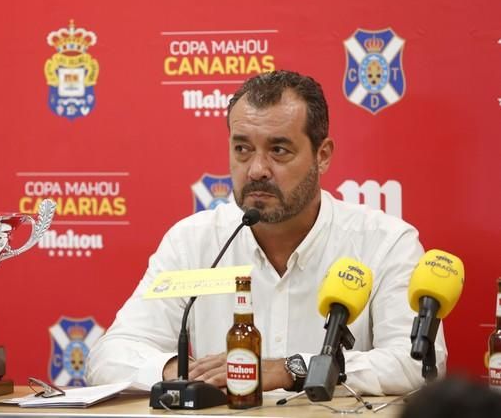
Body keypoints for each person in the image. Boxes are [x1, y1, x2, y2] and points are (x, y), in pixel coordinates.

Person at [85, 70, 446, 395]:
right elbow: (109, 355)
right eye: (242, 149)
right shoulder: (193, 242)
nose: (257, 169)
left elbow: (419, 364)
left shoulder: (385, 243)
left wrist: (292, 369)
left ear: (322, 155)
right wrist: (187, 372)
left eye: (279, 150)